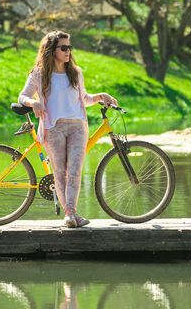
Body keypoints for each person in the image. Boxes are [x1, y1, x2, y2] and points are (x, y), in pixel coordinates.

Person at [18, 30, 117, 228]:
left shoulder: (75, 72)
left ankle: (71, 213)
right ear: (51, 50)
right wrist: (33, 103)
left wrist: (101, 96)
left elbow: (84, 99)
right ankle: (70, 215)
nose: (68, 51)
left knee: (75, 171)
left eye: (69, 47)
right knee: (60, 171)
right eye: (63, 47)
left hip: (78, 126)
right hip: (53, 128)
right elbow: (22, 96)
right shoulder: (39, 74)